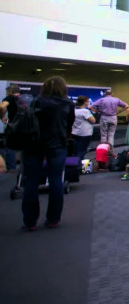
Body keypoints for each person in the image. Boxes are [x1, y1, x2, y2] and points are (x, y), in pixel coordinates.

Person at [21, 76, 75, 231]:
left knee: (31, 181)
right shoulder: (67, 104)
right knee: (56, 180)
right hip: (57, 144)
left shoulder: (36, 101)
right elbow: (69, 125)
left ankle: (30, 222)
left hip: (33, 144)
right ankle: (53, 219)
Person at [0, 83, 22, 172]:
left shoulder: (10, 98)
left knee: (9, 147)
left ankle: (11, 170)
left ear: (11, 91)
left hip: (14, 127)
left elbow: (2, 106)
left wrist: (2, 116)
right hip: (27, 128)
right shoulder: (25, 98)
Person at [71, 96, 96, 160]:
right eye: (88, 101)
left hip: (74, 133)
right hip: (85, 134)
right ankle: (78, 166)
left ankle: (73, 165)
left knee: (75, 151)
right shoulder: (85, 111)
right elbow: (93, 120)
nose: (89, 103)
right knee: (81, 151)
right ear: (85, 102)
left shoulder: (74, 110)